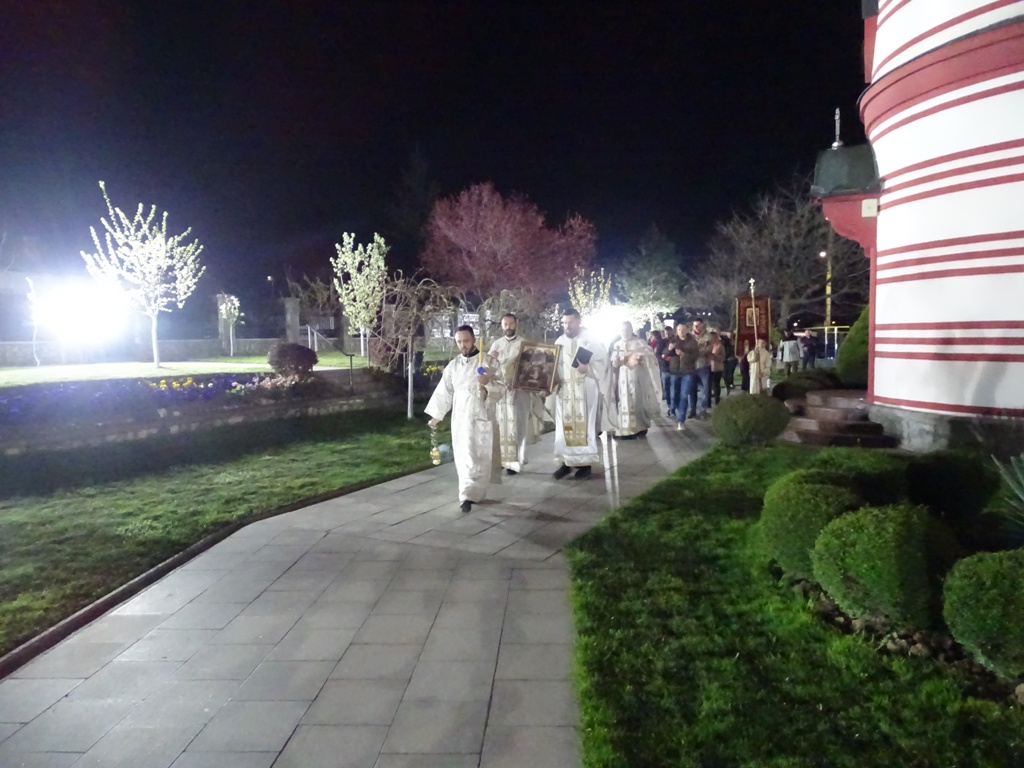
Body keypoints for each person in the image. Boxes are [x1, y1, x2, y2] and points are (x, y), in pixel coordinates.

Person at [426, 325, 504, 513]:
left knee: (479, 455)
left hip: (482, 416)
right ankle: (466, 494)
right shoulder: (453, 366)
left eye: (466, 341)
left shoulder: (488, 362)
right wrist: (437, 415)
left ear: (474, 340)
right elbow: (445, 391)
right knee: (464, 455)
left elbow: (502, 386)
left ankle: (475, 493)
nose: (463, 345)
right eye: (459, 342)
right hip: (460, 418)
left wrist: (487, 384)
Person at [552, 307, 609, 479]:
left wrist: (588, 369)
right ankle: (566, 462)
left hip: (585, 390)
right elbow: (554, 367)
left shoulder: (590, 340)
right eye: (564, 323)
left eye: (570, 322)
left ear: (578, 321)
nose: (567, 326)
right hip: (565, 392)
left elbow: (603, 362)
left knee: (584, 428)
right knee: (564, 428)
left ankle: (584, 464)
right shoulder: (559, 342)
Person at [487, 313, 534, 475]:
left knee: (518, 425)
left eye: (511, 324)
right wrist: (491, 360)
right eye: (505, 324)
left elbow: (531, 368)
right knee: (501, 425)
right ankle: (503, 459)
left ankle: (515, 461)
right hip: (502, 392)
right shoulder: (497, 344)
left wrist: (522, 381)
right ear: (501, 326)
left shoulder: (524, 344)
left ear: (516, 324)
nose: (508, 327)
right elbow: (489, 368)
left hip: (519, 392)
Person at [606, 321, 662, 439]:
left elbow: (651, 358)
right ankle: (626, 430)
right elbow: (613, 363)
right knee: (624, 403)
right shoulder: (617, 345)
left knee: (638, 402)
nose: (625, 332)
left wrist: (641, 359)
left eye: (627, 330)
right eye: (623, 330)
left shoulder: (640, 343)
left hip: (638, 378)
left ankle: (640, 427)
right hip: (623, 379)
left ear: (631, 330)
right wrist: (617, 362)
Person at [665, 322, 699, 431]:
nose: (681, 332)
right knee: (674, 395)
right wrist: (669, 349)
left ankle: (681, 420)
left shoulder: (692, 341)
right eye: (679, 330)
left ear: (687, 330)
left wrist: (684, 354)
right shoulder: (673, 340)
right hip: (675, 371)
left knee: (684, 395)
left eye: (683, 330)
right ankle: (677, 410)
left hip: (687, 372)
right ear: (676, 331)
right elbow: (664, 353)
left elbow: (696, 356)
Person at [689, 318, 712, 418]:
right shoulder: (690, 336)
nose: (696, 327)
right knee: (692, 389)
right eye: (694, 325)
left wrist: (698, 352)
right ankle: (692, 409)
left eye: (698, 325)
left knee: (705, 389)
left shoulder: (708, 336)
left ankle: (703, 409)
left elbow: (709, 349)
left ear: (702, 325)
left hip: (703, 365)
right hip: (692, 366)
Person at [707, 330, 726, 406]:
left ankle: (717, 400)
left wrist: (715, 356)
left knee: (716, 384)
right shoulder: (708, 346)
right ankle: (708, 402)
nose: (712, 339)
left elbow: (723, 357)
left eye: (713, 338)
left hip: (717, 368)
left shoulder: (720, 346)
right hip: (708, 367)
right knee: (708, 385)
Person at [721, 331, 737, 395]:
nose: (730, 336)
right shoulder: (725, 341)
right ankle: (727, 384)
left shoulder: (735, 340)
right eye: (729, 335)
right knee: (724, 373)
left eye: (731, 335)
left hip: (732, 358)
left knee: (730, 372)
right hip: (725, 358)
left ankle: (730, 383)